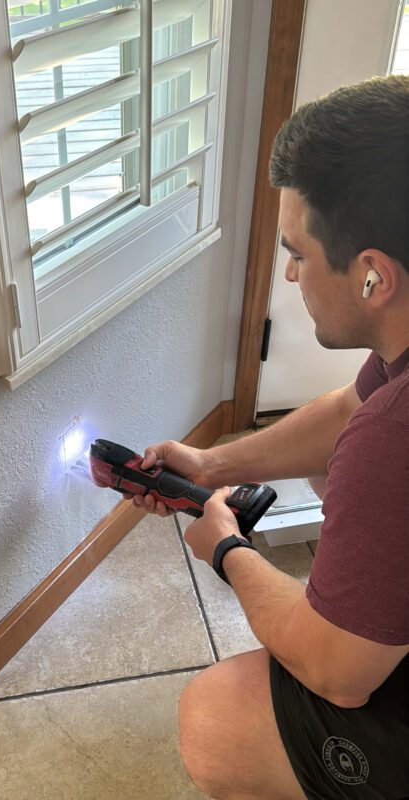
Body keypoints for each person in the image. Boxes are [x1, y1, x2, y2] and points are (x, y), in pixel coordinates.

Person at [128, 75, 409, 799]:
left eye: (297, 252)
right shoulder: (394, 377)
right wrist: (209, 460)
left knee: (218, 717)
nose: (288, 274)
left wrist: (225, 549)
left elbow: (337, 674)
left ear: (373, 276)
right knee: (338, 472)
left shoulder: (397, 437)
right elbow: (347, 410)